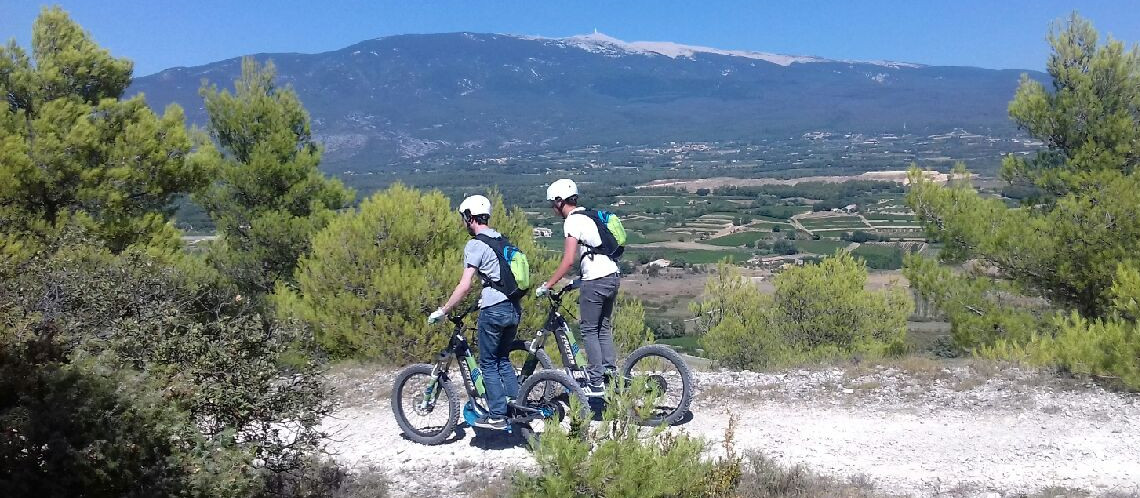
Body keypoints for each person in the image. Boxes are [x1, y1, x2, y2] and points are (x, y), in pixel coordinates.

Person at [428, 194, 521, 429]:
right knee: (502, 359)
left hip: (494, 310)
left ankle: (498, 414)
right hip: (513, 307)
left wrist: (444, 309)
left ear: (470, 217)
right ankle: (516, 404)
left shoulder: (475, 244)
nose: (463, 222)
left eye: (464, 218)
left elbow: (465, 284)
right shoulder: (502, 240)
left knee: (488, 363)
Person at [535, 179, 620, 396]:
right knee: (603, 327)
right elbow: (594, 254)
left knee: (589, 329)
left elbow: (568, 261)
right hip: (612, 276)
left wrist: (549, 284)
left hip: (596, 281)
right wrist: (575, 283)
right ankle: (609, 373)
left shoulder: (572, 222)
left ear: (559, 201)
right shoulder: (589, 216)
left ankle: (595, 381)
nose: (552, 209)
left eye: (552, 204)